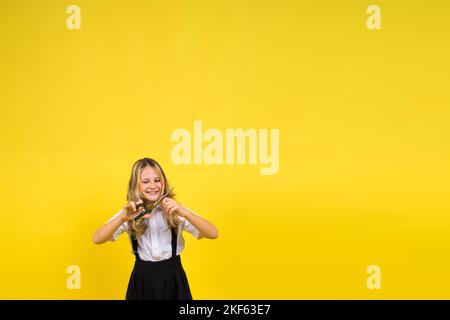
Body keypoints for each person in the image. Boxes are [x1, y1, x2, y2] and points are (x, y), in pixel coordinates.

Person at [92, 157, 219, 300]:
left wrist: (184, 212)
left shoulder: (175, 210)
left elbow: (213, 233)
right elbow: (97, 238)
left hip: (174, 279)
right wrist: (123, 217)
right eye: (146, 182)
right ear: (136, 186)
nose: (153, 186)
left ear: (163, 182)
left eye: (157, 180)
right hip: (142, 281)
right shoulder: (130, 213)